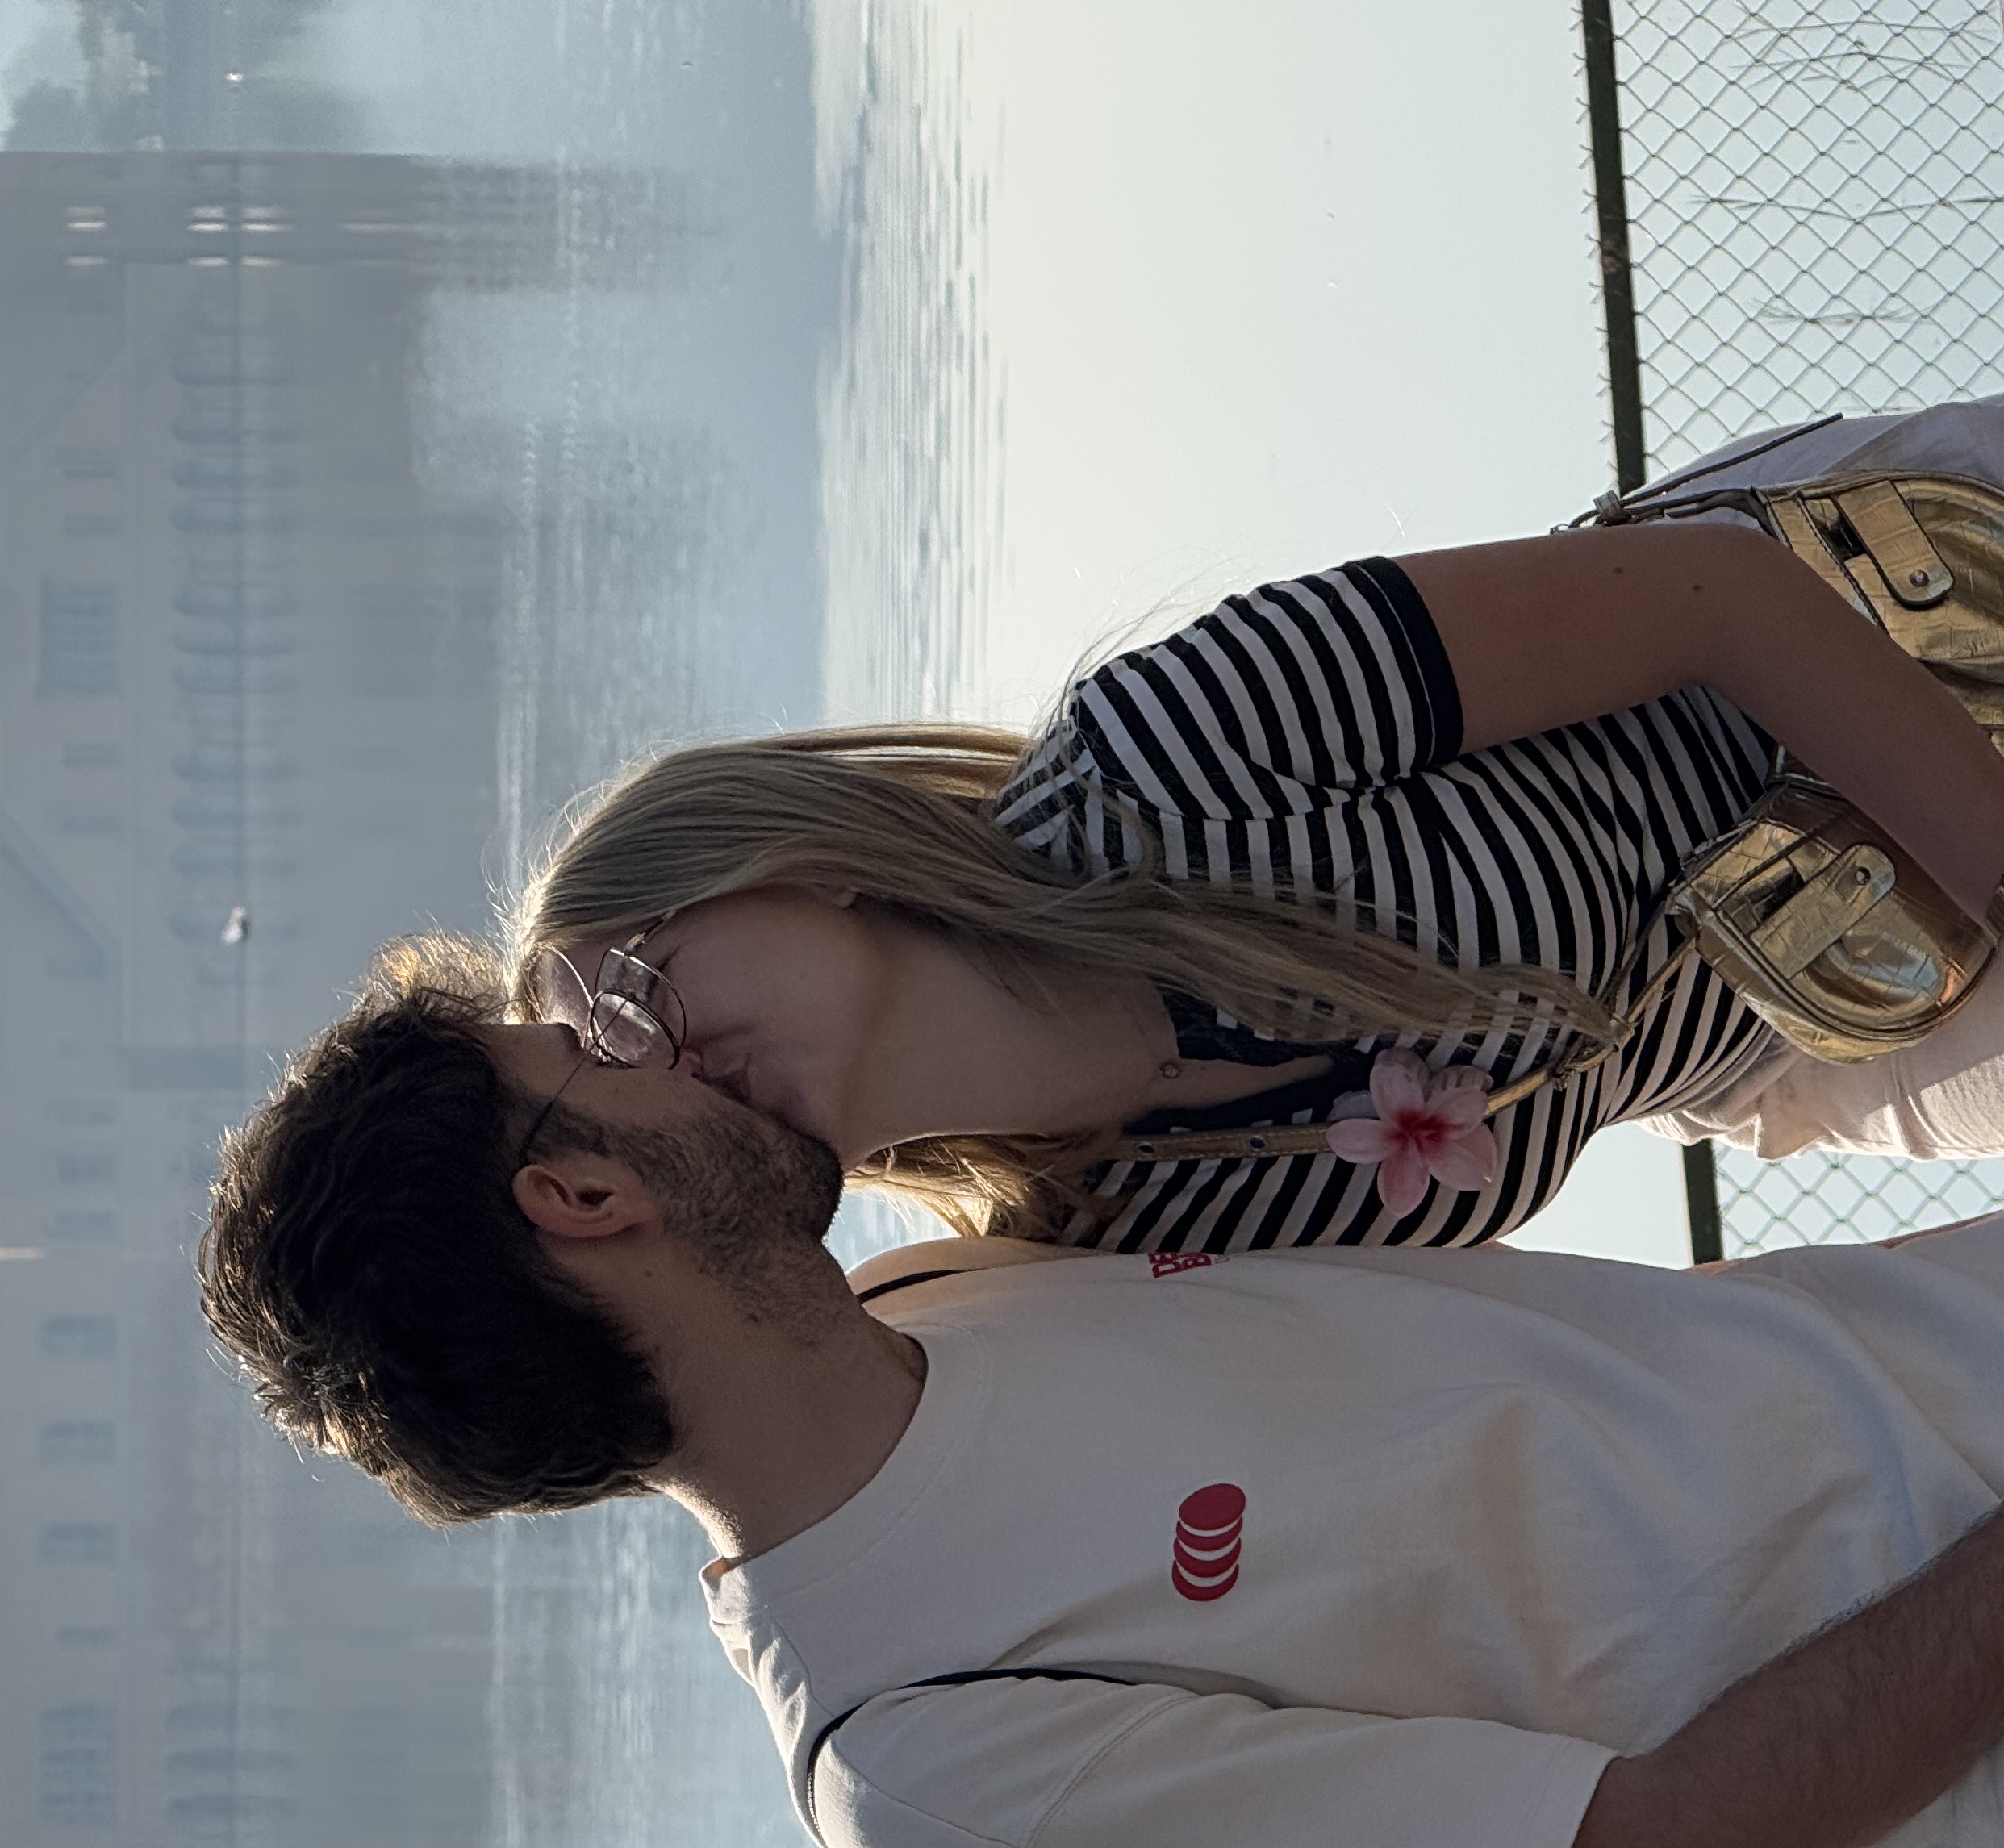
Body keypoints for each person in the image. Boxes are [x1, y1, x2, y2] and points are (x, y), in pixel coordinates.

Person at [198, 937, 2004, 1848]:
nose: (654, 1043)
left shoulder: (934, 1290)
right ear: (582, 1199)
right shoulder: (933, 1768)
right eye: (592, 1056)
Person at [510, 398, 2004, 1254]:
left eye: (641, 985)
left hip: (1902, 616)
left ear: (801, 866)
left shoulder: (1163, 760)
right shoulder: (1091, 1251)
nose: (664, 1062)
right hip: (1836, 1022)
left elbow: (1720, 599)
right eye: (612, 1066)